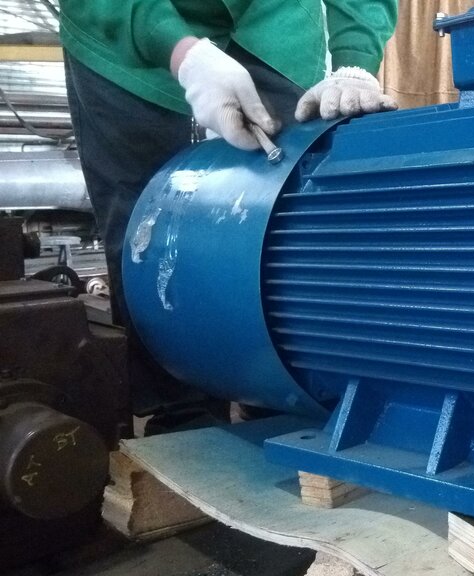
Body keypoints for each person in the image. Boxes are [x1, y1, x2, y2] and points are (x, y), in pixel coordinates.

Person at [59, 1, 398, 426]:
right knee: (147, 233)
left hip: (270, 22)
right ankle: (180, 418)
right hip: (126, 26)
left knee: (293, 209)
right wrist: (183, 54)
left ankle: (279, 396)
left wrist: (355, 61)